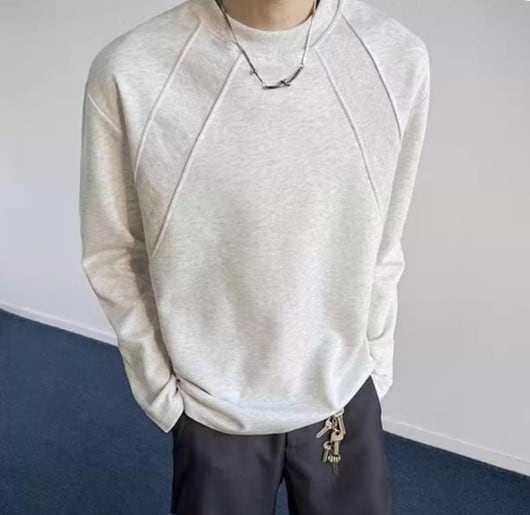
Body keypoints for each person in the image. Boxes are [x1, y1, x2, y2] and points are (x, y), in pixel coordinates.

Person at [79, 0, 430, 512]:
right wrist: (163, 394)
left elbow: (385, 238)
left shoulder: (396, 57)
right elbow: (114, 251)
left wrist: (375, 365)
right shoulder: (130, 71)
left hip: (344, 393)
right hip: (212, 407)